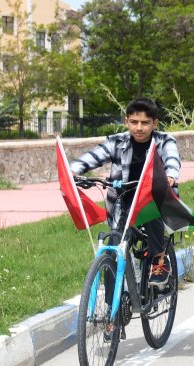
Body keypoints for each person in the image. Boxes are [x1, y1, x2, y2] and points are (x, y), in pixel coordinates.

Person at [70, 97, 179, 287]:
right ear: (126, 121)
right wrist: (73, 170)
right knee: (112, 247)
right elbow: (94, 156)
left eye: (145, 123)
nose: (139, 128)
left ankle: (159, 259)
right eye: (134, 122)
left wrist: (170, 175)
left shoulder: (164, 141)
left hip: (155, 200)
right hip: (122, 201)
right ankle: (111, 304)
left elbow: (172, 160)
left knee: (150, 209)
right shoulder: (116, 142)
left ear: (155, 123)